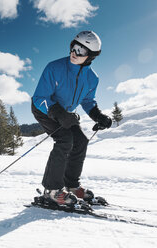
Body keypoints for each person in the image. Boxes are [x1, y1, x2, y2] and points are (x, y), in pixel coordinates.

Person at [31, 31, 112, 206]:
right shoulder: (54, 67)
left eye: (81, 51)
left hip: (66, 114)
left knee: (81, 141)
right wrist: (58, 114)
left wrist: (98, 115)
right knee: (65, 139)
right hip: (45, 109)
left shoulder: (92, 78)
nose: (74, 53)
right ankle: (52, 191)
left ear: (90, 55)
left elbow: (87, 100)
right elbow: (39, 98)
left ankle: (72, 185)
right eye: (73, 47)